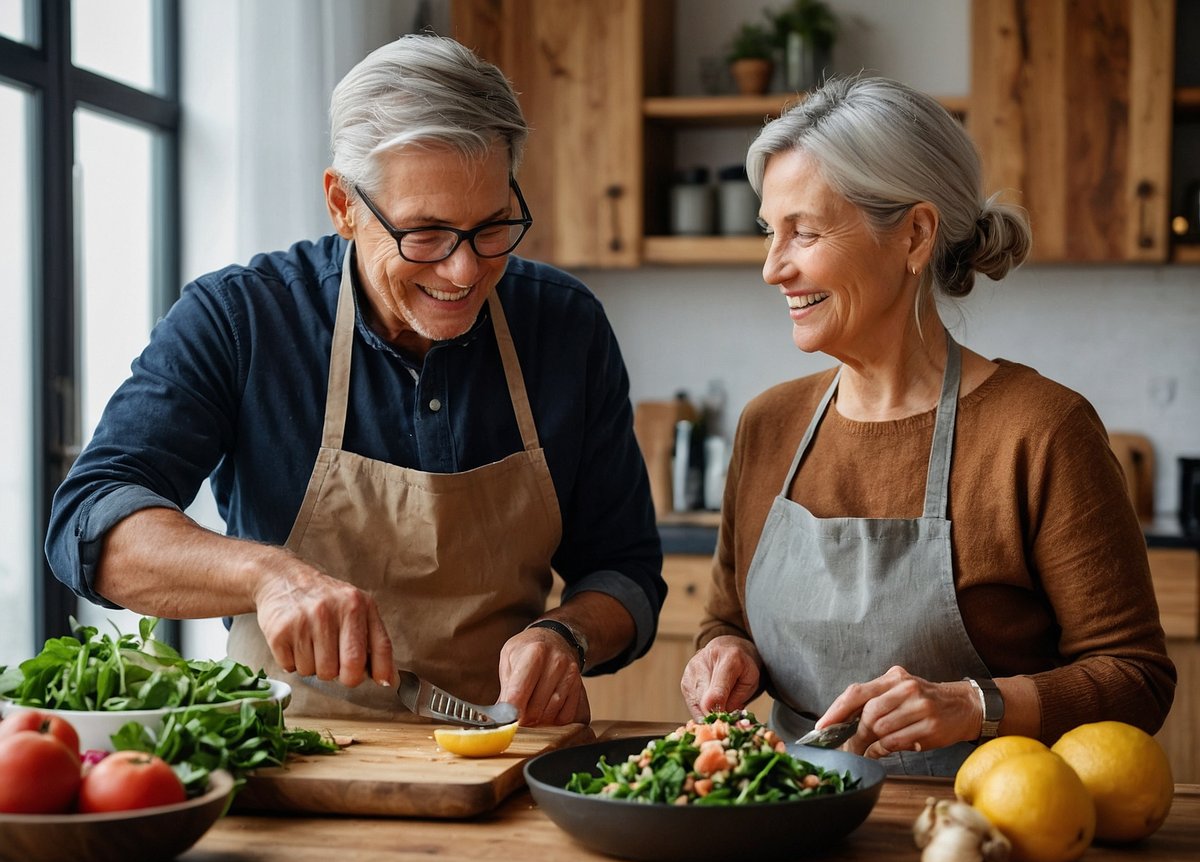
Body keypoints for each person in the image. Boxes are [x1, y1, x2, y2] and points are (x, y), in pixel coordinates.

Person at [45, 34, 665, 726]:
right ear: (342, 204)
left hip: (501, 758)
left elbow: (628, 573)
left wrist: (567, 636)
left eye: (491, 228)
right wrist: (266, 576)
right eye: (424, 234)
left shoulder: (565, 328)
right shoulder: (241, 318)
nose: (463, 272)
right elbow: (90, 523)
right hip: (286, 758)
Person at [680, 75, 1175, 775]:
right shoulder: (770, 425)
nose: (771, 268)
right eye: (770, 232)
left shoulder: (1041, 430)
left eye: (805, 232)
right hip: (787, 825)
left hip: (983, 835)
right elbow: (726, 620)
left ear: (914, 234)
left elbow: (1138, 679)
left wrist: (977, 705)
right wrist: (726, 655)